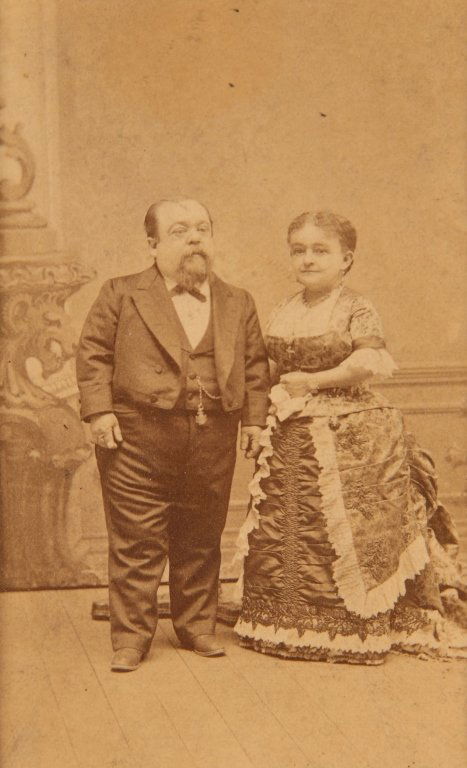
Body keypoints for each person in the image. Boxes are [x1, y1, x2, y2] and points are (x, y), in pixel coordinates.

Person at [235, 210, 466, 665]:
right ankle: (286, 620)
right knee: (288, 524)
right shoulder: (285, 308)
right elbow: (270, 369)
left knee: (348, 529)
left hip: (354, 431)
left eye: (320, 250)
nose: (307, 259)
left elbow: (368, 362)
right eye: (298, 250)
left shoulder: (356, 307)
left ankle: (355, 624)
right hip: (292, 431)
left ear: (346, 259)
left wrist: (312, 383)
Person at [76, 197, 270, 671]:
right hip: (137, 436)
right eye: (180, 231)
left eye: (202, 229)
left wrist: (255, 422)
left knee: (202, 535)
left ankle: (197, 627)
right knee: (136, 538)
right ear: (153, 244)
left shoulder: (237, 300)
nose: (195, 239)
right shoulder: (121, 293)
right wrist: (99, 413)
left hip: (213, 438)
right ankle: (131, 638)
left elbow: (256, 368)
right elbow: (93, 354)